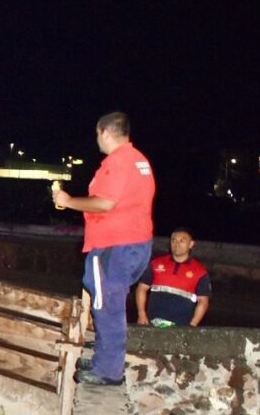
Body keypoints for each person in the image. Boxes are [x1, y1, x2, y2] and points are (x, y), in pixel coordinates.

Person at [52, 111, 155, 385]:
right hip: (135, 244)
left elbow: (105, 203)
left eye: (97, 133)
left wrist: (68, 200)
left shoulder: (118, 163)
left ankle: (108, 371)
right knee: (106, 296)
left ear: (105, 131)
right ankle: (104, 361)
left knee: (107, 305)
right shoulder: (139, 161)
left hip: (115, 246)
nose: (96, 138)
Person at [136, 227, 211, 326]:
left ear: (191, 244)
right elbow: (141, 288)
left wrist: (192, 326)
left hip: (180, 326)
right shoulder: (156, 264)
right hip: (152, 322)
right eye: (173, 240)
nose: (177, 244)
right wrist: (141, 314)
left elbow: (203, 302)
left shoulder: (200, 272)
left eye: (182, 241)